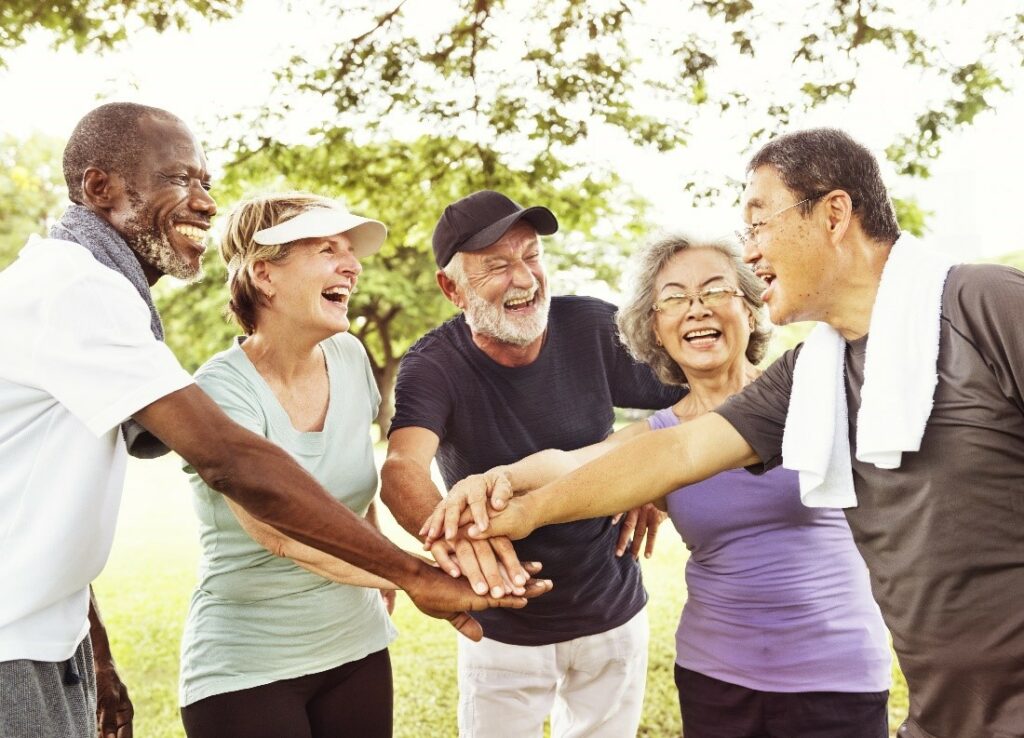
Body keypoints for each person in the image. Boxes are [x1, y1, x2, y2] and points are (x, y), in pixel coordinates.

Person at [432, 128, 1024, 738]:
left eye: (758, 224)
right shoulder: (814, 375)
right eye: (675, 298)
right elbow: (677, 450)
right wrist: (514, 504)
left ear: (834, 213)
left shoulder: (984, 302)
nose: (752, 252)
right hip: (941, 711)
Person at [0, 104, 544, 738]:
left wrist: (89, 648)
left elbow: (38, 500)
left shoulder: (91, 291)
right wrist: (414, 572)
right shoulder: (75, 289)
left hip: (46, 634)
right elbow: (231, 462)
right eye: (180, 179)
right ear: (100, 188)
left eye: (206, 182)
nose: (205, 203)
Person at [429, 233, 893, 737]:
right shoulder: (658, 438)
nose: (695, 310)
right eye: (673, 298)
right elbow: (569, 464)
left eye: (715, 291)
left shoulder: (812, 391)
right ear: (656, 327)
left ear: (751, 304)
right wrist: (496, 478)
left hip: (837, 675)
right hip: (716, 676)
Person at [379, 189, 682, 737]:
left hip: (612, 615)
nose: (523, 278)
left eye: (531, 256)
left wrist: (649, 475)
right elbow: (402, 469)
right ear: (453, 288)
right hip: (501, 632)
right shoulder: (434, 363)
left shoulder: (592, 325)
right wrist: (460, 543)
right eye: (497, 265)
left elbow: (703, 398)